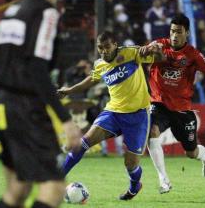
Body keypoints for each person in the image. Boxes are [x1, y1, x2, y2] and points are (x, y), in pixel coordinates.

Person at [0, 0, 81, 208]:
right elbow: (37, 68)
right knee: (53, 189)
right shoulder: (47, 14)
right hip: (25, 106)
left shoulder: (12, 11)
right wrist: (65, 119)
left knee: (17, 189)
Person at [57, 31, 164, 200]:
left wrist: (155, 50)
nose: (104, 51)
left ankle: (135, 186)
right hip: (113, 113)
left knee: (131, 165)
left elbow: (159, 59)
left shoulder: (130, 53)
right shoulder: (99, 64)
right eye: (100, 48)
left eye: (107, 47)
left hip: (138, 116)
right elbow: (91, 80)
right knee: (84, 142)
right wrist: (69, 90)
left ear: (115, 44)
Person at [141, 14, 205, 194]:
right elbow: (149, 50)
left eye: (179, 32)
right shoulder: (160, 44)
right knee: (152, 132)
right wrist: (148, 50)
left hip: (182, 109)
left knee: (191, 153)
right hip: (159, 103)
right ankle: (164, 180)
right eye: (172, 31)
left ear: (186, 33)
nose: (174, 35)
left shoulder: (192, 54)